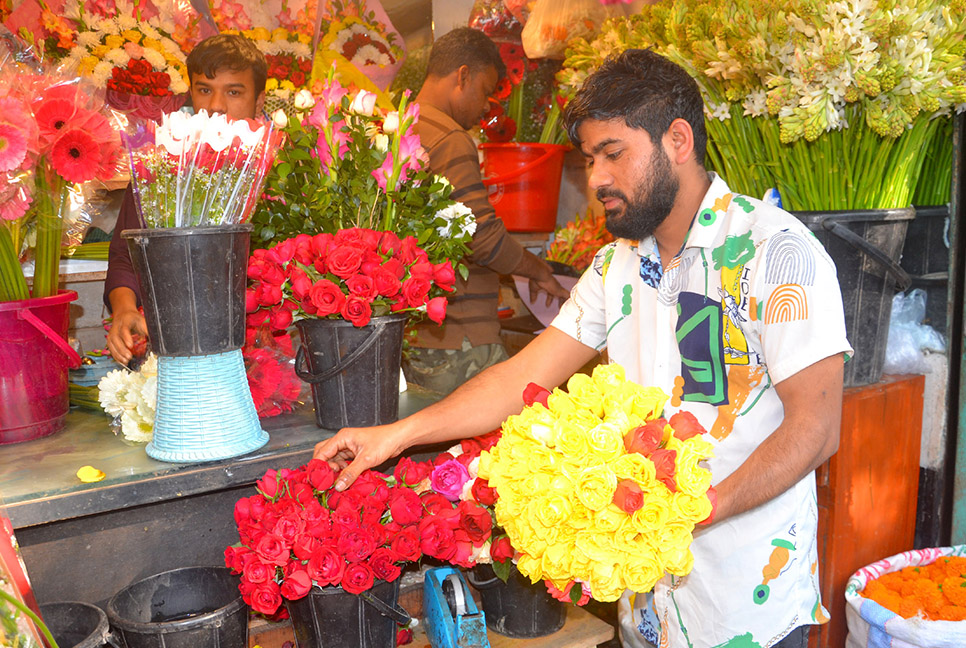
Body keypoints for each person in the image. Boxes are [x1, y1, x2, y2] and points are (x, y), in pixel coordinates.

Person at [314, 48, 851, 648]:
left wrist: (685, 517)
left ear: (677, 139)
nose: (596, 179)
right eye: (590, 158)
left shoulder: (777, 252)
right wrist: (395, 435)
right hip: (645, 610)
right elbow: (522, 378)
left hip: (744, 606)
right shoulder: (616, 266)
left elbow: (816, 429)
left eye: (613, 154)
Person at [404, 27, 570, 394]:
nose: (485, 108)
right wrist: (537, 270)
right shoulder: (450, 139)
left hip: (418, 334)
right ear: (462, 75)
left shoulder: (401, 124)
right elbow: (479, 236)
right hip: (462, 336)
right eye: (485, 91)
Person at [104, 34, 268, 364]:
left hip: (264, 343)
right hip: (178, 341)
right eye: (205, 89)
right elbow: (127, 254)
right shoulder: (162, 162)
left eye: (234, 92)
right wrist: (123, 310)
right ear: (191, 92)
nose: (217, 106)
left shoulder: (282, 166)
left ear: (260, 100)